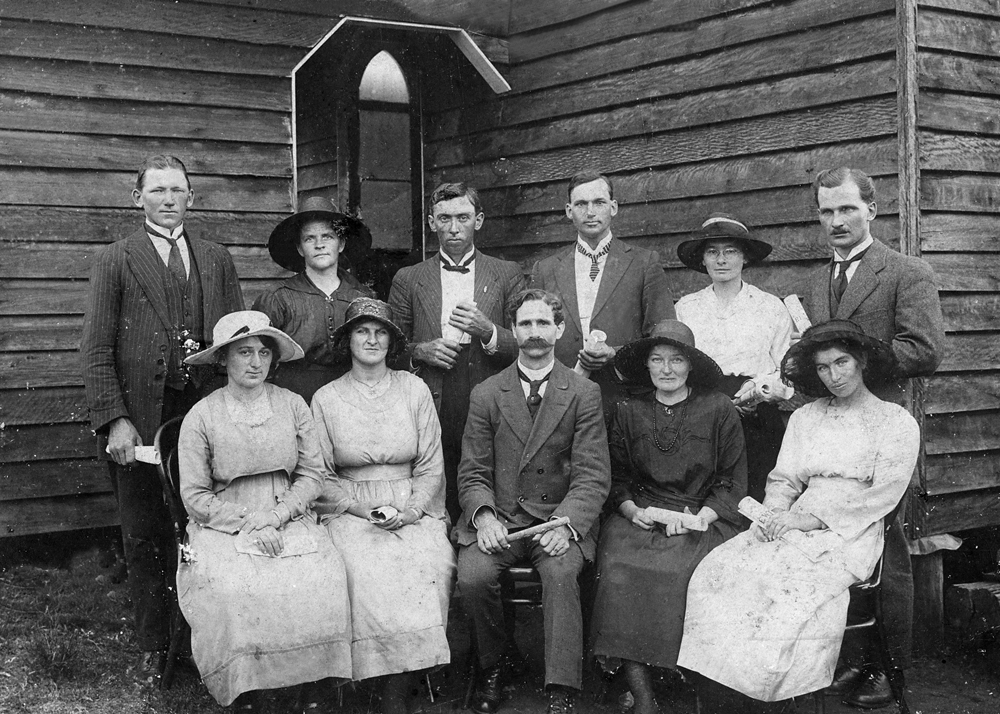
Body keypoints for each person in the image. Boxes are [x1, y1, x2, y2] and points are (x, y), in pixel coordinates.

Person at [677, 320, 920, 712]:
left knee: (781, 591)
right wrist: (774, 514)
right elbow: (785, 479)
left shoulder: (894, 422)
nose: (833, 376)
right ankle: (730, 691)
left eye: (841, 363)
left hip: (851, 530)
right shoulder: (807, 417)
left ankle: (780, 693)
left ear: (861, 362)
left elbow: (882, 496)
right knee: (717, 572)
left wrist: (809, 521)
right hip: (796, 520)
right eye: (823, 368)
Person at [80, 154, 243, 680]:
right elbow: (97, 348)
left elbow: (237, 343)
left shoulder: (216, 258)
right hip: (142, 415)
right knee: (146, 529)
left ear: (191, 198)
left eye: (177, 190)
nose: (168, 199)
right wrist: (115, 421)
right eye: (157, 191)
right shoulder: (117, 258)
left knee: (201, 526)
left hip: (202, 412)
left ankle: (205, 640)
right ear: (138, 199)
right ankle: (157, 645)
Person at [802, 167, 945, 707]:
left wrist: (858, 361)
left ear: (872, 210)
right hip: (833, 431)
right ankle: (854, 658)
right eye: (826, 212)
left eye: (846, 210)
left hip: (884, 426)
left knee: (889, 547)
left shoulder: (906, 271)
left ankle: (892, 668)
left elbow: (926, 349)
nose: (836, 221)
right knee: (839, 542)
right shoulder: (818, 281)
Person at [176, 311, 352, 711]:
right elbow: (196, 495)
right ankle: (252, 692)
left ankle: (312, 690)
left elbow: (311, 474)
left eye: (263, 352)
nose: (255, 362)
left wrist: (277, 516)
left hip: (286, 513)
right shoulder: (201, 416)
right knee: (236, 586)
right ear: (223, 360)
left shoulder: (292, 406)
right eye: (243, 352)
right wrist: (250, 524)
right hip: (224, 523)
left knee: (322, 575)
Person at [456, 289, 611, 714]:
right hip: (502, 519)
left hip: (556, 521)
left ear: (560, 330)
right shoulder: (488, 392)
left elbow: (593, 473)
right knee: (472, 577)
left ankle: (562, 683)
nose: (535, 332)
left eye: (544, 323)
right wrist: (484, 516)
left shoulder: (582, 392)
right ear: (513, 331)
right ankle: (494, 665)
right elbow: (473, 470)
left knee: (561, 574)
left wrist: (568, 523)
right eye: (526, 323)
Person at [590, 319, 747, 714]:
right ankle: (643, 694)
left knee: (682, 571)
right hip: (640, 515)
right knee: (618, 567)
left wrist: (701, 517)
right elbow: (617, 478)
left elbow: (731, 482)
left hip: (702, 516)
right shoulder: (628, 410)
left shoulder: (718, 408)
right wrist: (631, 510)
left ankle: (683, 678)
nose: (666, 369)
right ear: (647, 366)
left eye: (676, 360)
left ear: (691, 365)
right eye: (657, 360)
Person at [311, 297, 455, 714]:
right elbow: (321, 474)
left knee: (432, 561)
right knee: (362, 564)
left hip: (413, 503)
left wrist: (412, 512)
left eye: (380, 332)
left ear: (391, 341)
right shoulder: (326, 398)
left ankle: (411, 677)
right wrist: (360, 510)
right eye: (362, 331)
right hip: (352, 507)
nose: (371, 339)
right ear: (348, 340)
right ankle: (374, 681)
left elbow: (431, 464)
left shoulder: (414, 389)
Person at [388, 182, 525, 523]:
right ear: (431, 223)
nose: (453, 227)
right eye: (444, 218)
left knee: (485, 468)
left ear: (478, 221)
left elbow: (526, 343)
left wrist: (488, 330)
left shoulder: (507, 274)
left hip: (487, 383)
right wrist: (421, 350)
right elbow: (391, 346)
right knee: (440, 470)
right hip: (434, 388)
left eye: (462, 217)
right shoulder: (409, 278)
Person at [529, 169, 675, 419]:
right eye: (581, 204)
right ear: (568, 211)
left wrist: (615, 353)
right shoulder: (546, 269)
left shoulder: (644, 263)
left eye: (599, 202)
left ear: (614, 207)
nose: (590, 211)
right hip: (562, 401)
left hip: (625, 399)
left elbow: (663, 335)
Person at [674, 214, 793, 502]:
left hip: (757, 416)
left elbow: (787, 371)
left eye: (730, 251)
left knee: (756, 496)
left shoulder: (769, 307)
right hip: (701, 415)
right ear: (703, 259)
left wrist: (759, 389)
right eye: (713, 252)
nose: (721, 260)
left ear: (745, 258)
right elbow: (679, 366)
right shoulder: (687, 308)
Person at [252, 196, 375, 403]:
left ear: (341, 243)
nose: (319, 245)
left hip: (351, 398)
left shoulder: (361, 297)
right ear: (300, 248)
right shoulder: (278, 298)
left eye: (327, 237)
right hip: (293, 398)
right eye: (310, 238)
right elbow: (259, 355)